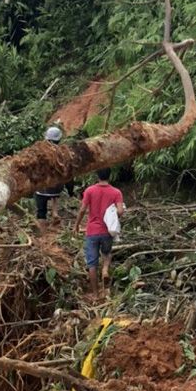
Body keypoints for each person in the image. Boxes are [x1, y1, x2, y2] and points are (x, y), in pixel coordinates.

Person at [74, 168, 125, 298]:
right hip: (107, 231)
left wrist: (77, 225)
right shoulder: (116, 192)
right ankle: (105, 269)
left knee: (92, 263)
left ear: (97, 175)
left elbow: (82, 210)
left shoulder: (90, 190)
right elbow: (120, 211)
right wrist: (111, 216)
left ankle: (96, 294)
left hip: (92, 231)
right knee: (107, 253)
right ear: (110, 175)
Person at [34, 125, 75, 232]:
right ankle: (55, 213)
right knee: (54, 195)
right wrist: (70, 191)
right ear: (59, 139)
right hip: (57, 187)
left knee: (41, 210)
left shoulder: (39, 153)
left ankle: (42, 230)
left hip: (42, 188)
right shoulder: (64, 153)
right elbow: (69, 175)